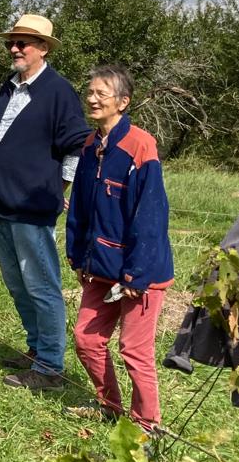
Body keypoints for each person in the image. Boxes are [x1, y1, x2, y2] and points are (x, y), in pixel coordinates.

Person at [0, 13, 91, 393]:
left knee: (41, 284)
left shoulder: (57, 91)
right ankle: (35, 348)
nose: (15, 48)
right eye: (12, 42)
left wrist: (59, 190)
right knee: (16, 282)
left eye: (23, 43)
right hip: (1, 203)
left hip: (32, 206)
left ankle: (49, 367)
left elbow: (76, 146)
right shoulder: (10, 86)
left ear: (43, 48)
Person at [67, 66, 172, 430]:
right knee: (86, 339)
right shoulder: (89, 144)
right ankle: (109, 405)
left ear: (123, 102)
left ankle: (147, 424)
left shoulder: (140, 146)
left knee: (134, 349)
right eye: (90, 92)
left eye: (102, 94)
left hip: (140, 271)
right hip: (98, 265)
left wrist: (136, 274)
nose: (93, 99)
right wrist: (78, 255)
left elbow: (151, 216)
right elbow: (80, 206)